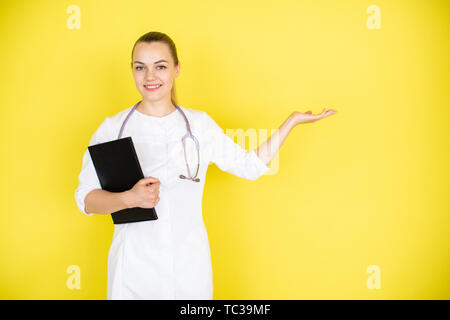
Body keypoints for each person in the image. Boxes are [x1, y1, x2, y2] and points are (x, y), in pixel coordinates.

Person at [74, 31, 336, 300]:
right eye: (140, 67)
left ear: (177, 69)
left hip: (188, 267)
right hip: (133, 270)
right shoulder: (112, 129)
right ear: (132, 70)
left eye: (160, 66)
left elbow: (250, 167)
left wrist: (290, 122)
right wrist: (129, 198)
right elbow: (86, 200)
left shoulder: (200, 125)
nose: (150, 77)